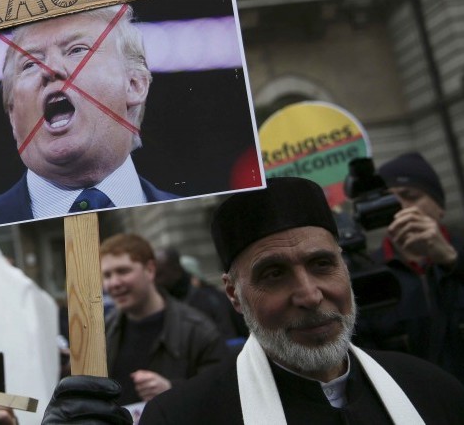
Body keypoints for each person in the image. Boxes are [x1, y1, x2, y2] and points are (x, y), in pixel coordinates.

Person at [42, 177, 464, 424]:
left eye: (321, 264)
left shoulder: (432, 392)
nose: (309, 294)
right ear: (234, 294)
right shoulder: (181, 419)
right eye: (274, 274)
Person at [0, 5, 177, 233]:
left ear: (134, 85)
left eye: (77, 50)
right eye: (29, 64)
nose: (50, 70)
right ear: (12, 115)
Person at [353, 152, 464, 383]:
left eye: (410, 196)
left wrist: (452, 260)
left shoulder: (458, 253)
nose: (401, 207)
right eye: (387, 200)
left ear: (439, 206)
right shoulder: (370, 273)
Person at [100, 233, 228, 407]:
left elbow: (222, 395)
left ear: (150, 270)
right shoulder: (102, 331)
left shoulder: (199, 331)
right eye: (107, 275)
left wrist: (172, 390)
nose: (114, 283)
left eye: (123, 271)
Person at [154, 246, 247, 348]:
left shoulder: (211, 300)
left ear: (175, 269)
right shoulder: (162, 306)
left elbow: (229, 344)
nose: (156, 281)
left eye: (160, 275)